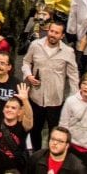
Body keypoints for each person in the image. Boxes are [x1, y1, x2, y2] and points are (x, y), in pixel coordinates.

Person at [22, 21, 80, 152]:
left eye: (56, 33)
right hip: (36, 98)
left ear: (62, 35)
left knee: (54, 133)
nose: (52, 34)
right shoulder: (35, 45)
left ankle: (51, 156)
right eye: (51, 31)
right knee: (35, 130)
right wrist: (29, 75)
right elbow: (26, 62)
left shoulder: (68, 52)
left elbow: (73, 76)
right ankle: (36, 155)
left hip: (55, 101)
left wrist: (73, 99)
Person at [0, 81, 33, 173]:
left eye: (13, 108)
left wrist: (25, 100)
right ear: (3, 109)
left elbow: (29, 117)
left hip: (16, 170)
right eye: (7, 107)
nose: (9, 109)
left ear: (19, 112)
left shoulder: (23, 126)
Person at [59, 71, 87, 171]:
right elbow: (63, 124)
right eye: (84, 83)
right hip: (73, 147)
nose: (86, 87)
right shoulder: (70, 101)